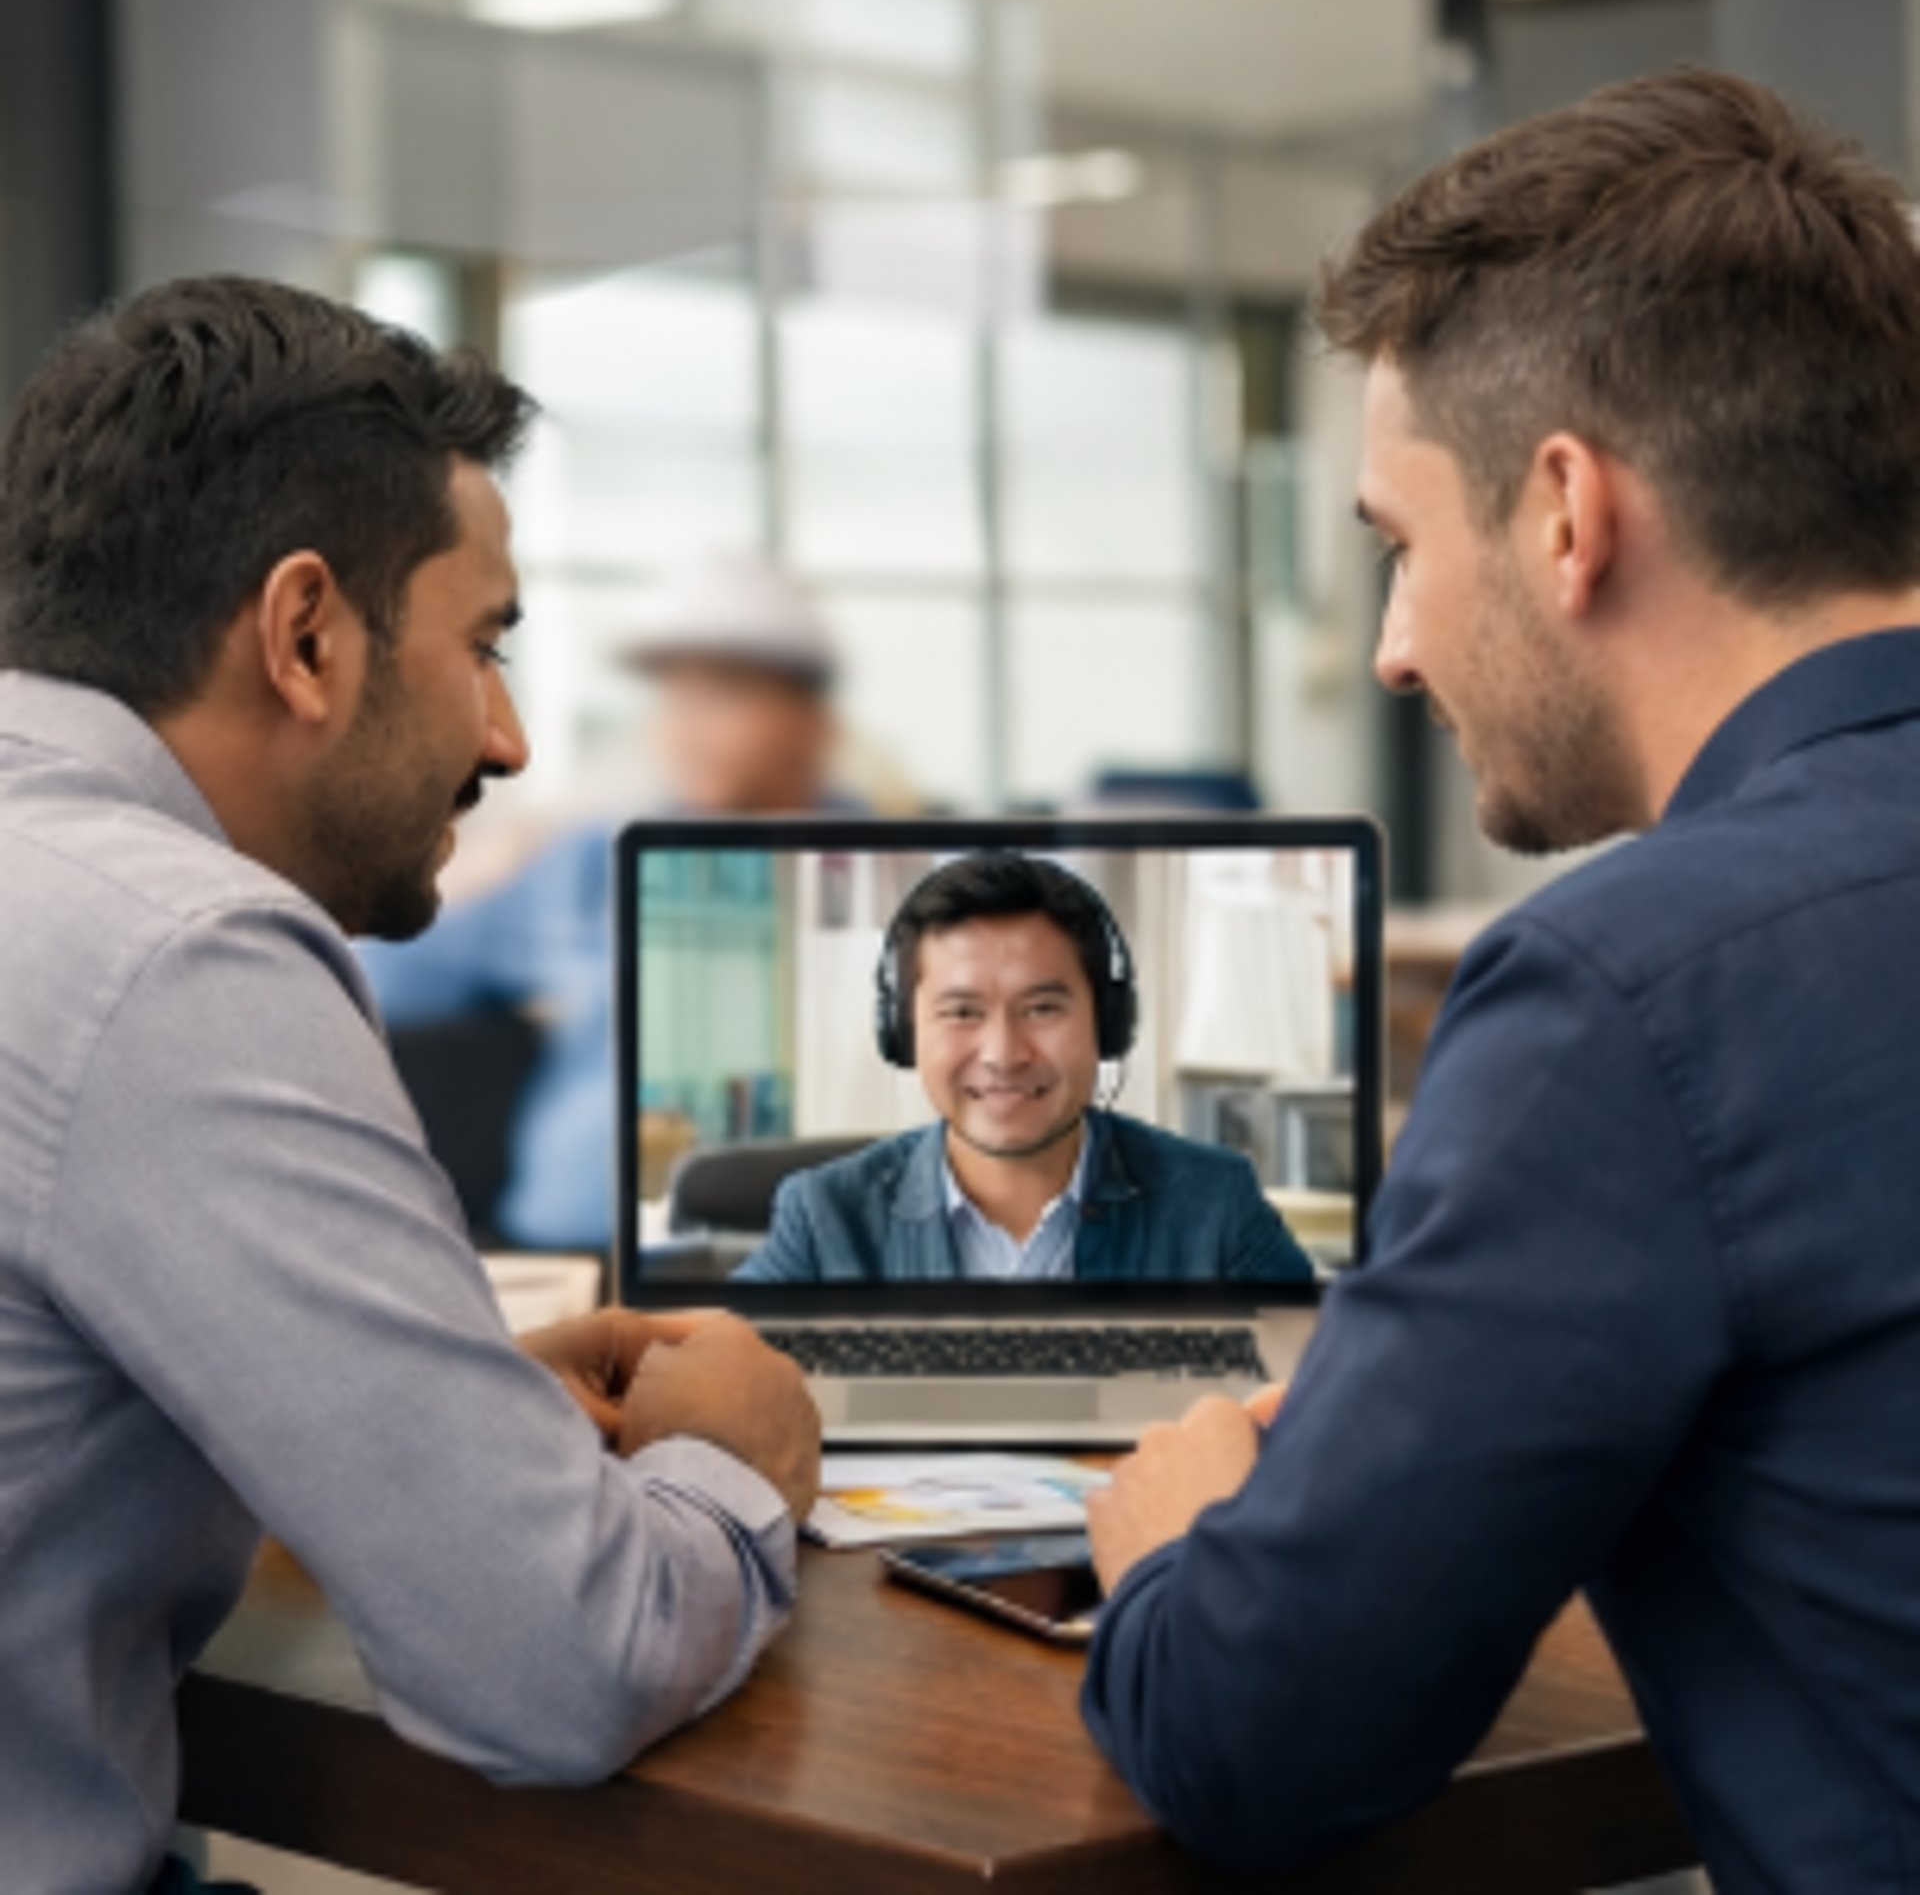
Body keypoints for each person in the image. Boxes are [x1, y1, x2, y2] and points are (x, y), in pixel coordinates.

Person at [1078, 67, 1920, 1891]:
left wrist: (1175, 1539)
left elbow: (1260, 1735)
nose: (1390, 648)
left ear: (1562, 512)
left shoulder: (1631, 989)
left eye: (1397, 543)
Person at [0, 276, 822, 1895]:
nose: (511, 735)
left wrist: (421, 1386)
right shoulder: (179, 951)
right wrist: (733, 1458)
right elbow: (559, 1663)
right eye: (486, 645)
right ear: (307, 635)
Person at [358, 552, 860, 1249]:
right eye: (674, 696)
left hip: (788, 1256)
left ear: (811, 721)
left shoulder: (887, 880)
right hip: (575, 1251)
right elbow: (375, 976)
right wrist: (458, 865)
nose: (685, 725)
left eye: (725, 693)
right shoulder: (590, 862)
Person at [732, 853, 1312, 1283]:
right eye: (962, 1012)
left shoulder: (1217, 1202)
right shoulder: (823, 1216)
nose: (1004, 1054)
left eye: (1042, 1009)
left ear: (1106, 1024)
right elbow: (718, 1380)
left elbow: (1319, 1388)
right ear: (905, 1032)